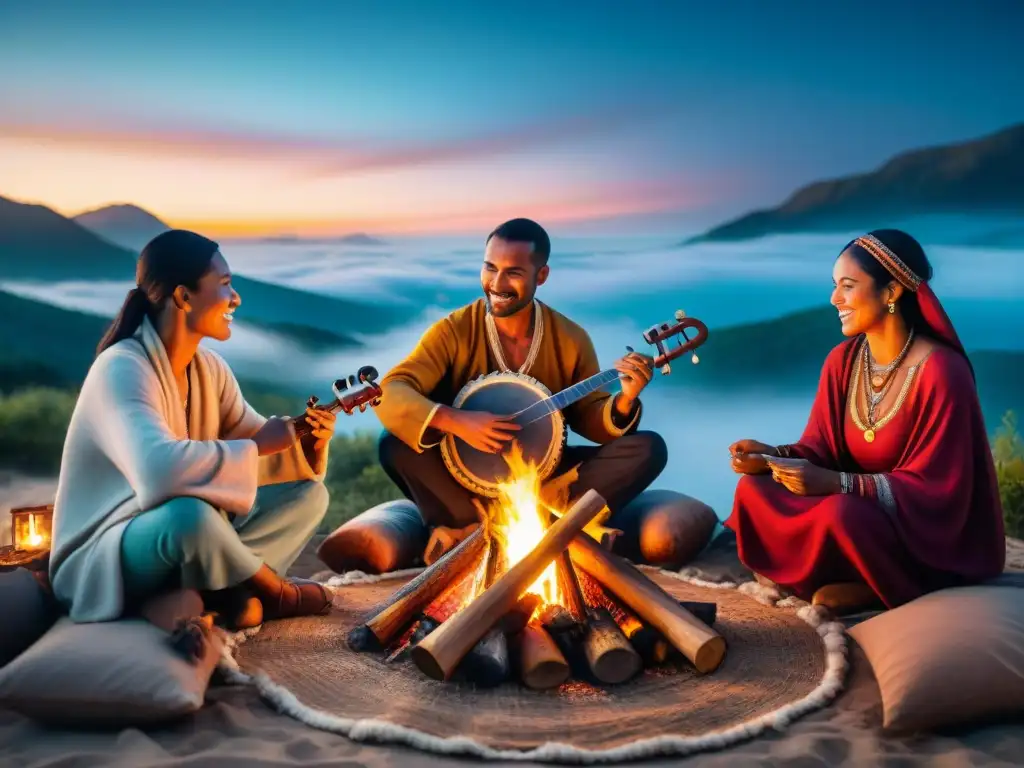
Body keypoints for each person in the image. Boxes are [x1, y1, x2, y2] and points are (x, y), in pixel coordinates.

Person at [49, 229, 336, 646]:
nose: (235, 297)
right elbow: (159, 473)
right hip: (110, 553)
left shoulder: (210, 368)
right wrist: (258, 445)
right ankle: (272, 592)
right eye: (224, 285)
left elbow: (255, 452)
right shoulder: (121, 368)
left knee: (309, 495)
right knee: (190, 518)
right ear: (183, 298)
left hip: (189, 546)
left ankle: (217, 595)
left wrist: (308, 442)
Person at [374, 217, 684, 565]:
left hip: (545, 475)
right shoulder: (453, 331)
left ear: (542, 276)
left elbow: (589, 417)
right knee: (393, 443)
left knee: (648, 448)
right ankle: (529, 524)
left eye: (513, 273)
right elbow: (391, 390)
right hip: (464, 478)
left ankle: (490, 526)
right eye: (490, 268)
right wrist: (456, 421)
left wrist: (626, 398)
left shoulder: (570, 337)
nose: (497, 283)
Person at [726, 229, 1005, 614]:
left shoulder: (941, 371)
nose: (834, 299)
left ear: (891, 293)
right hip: (846, 510)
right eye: (834, 285)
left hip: (914, 535)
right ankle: (842, 576)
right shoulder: (842, 361)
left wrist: (838, 483)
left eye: (847, 285)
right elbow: (820, 447)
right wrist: (774, 457)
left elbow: (940, 493)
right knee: (753, 490)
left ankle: (888, 583)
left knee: (841, 514)